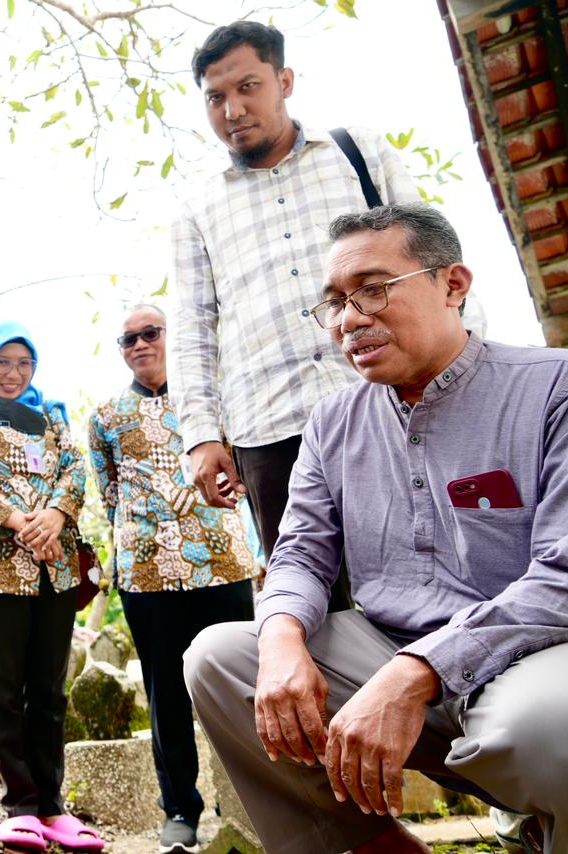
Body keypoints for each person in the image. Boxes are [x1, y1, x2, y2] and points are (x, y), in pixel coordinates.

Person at [184, 204, 568, 854]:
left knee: (556, 730)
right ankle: (371, 846)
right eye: (333, 302)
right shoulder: (334, 422)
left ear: (453, 284)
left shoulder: (567, 387)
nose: (348, 319)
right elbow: (300, 554)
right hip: (387, 646)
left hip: (540, 656)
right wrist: (280, 642)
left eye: (373, 289)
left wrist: (413, 673)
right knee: (222, 659)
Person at [168, 20, 423, 610]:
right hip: (269, 433)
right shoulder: (197, 206)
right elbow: (191, 330)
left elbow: (432, 256)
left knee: (424, 580)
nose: (233, 108)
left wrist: (468, 361)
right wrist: (202, 436)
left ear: (284, 81)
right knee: (312, 608)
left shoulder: (357, 152)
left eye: (249, 86)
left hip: (385, 401)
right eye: (215, 96)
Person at [86, 303, 258, 853]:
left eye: (150, 333)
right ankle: (180, 809)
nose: (139, 344)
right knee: (166, 694)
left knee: (244, 689)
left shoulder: (215, 403)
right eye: (127, 338)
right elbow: (110, 493)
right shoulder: (105, 417)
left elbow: (246, 473)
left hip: (223, 565)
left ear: (170, 336)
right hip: (148, 575)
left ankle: (258, 801)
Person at [0, 321, 104, 853]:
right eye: (1, 363)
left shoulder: (51, 414)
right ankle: (19, 806)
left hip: (54, 569)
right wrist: (19, 521)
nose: (13, 374)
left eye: (23, 363)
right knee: (3, 690)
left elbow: (75, 469)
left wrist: (56, 512)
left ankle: (54, 808)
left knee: (50, 692)